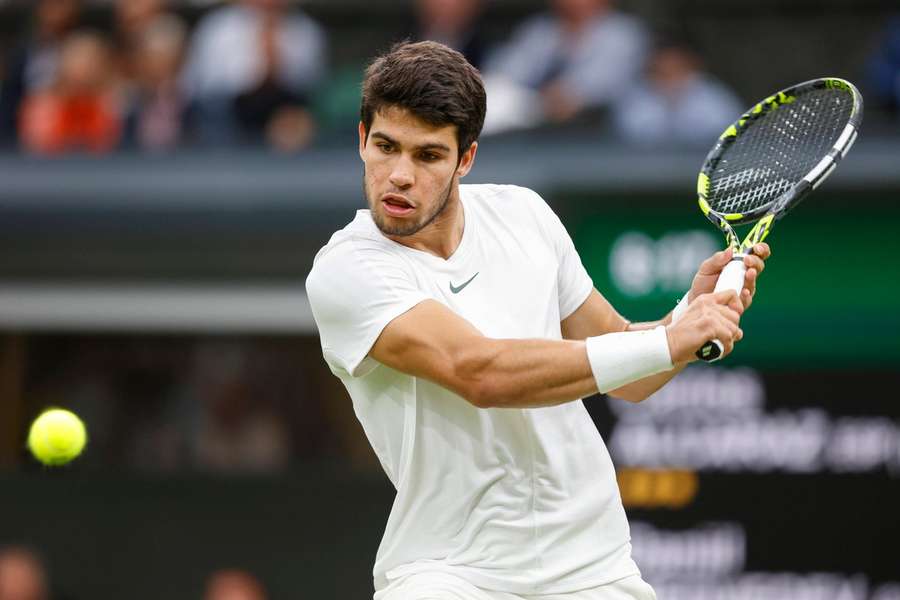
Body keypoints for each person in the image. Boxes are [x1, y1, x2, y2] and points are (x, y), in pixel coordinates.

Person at [305, 41, 770, 599]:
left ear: (465, 159)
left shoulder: (522, 213)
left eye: (427, 155)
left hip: (592, 568)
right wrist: (674, 340)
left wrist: (684, 316)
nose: (399, 175)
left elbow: (631, 366)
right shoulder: (346, 271)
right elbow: (481, 373)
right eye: (385, 147)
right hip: (450, 573)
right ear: (362, 140)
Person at [481, 0, 648, 133]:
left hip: (608, 134)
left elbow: (594, 87)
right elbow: (507, 72)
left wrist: (560, 98)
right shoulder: (540, 30)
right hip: (541, 127)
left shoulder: (623, 34)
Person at [612, 37, 744, 146]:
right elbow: (628, 136)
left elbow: (730, 139)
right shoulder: (634, 98)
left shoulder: (715, 98)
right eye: (662, 72)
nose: (670, 78)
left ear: (693, 66)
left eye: (676, 69)